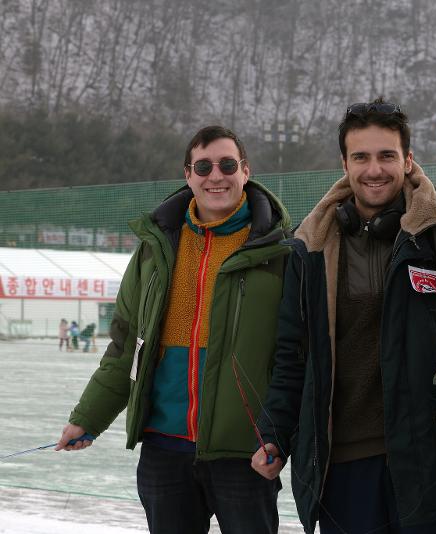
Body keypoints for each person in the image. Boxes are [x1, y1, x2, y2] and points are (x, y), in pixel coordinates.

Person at [251, 100, 436, 533]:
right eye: (361, 157)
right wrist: (274, 434)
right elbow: (293, 355)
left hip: (427, 463)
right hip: (342, 468)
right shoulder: (310, 249)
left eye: (387, 156)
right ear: (344, 163)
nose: (374, 169)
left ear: (408, 160)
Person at [55, 125, 292, 534]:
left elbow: (295, 356)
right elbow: (125, 346)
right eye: (203, 166)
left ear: (246, 171)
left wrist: (280, 436)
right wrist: (88, 417)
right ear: (188, 175)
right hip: (164, 450)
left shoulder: (283, 250)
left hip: (246, 452)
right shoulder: (155, 249)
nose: (215, 175)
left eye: (227, 164)